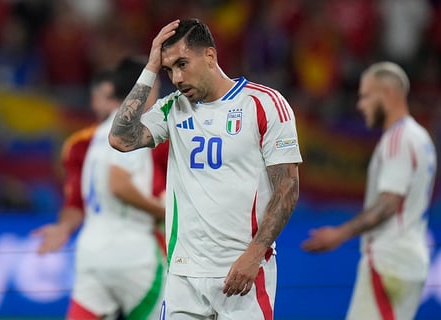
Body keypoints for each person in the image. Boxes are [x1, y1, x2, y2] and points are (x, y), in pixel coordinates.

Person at [108, 18, 302, 319]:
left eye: (183, 63)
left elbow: (287, 187)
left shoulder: (264, 104)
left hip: (242, 272)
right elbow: (120, 138)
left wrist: (254, 256)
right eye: (169, 69)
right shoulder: (172, 108)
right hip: (183, 275)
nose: (176, 77)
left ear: (210, 56)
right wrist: (149, 68)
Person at [33, 58, 167, 320]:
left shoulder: (93, 136)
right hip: (132, 253)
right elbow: (117, 183)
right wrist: (163, 212)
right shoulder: (129, 130)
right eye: (156, 89)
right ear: (144, 90)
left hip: (91, 252)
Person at [301, 61, 437, 320]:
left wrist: (340, 233)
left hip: (389, 261)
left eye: (365, 96)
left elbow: (389, 202)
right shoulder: (420, 137)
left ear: (387, 94)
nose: (360, 105)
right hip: (407, 260)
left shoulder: (398, 139)